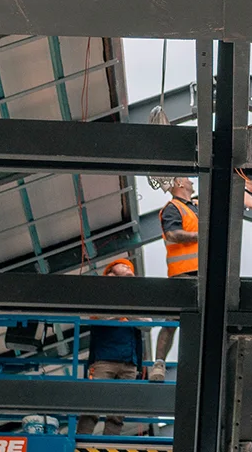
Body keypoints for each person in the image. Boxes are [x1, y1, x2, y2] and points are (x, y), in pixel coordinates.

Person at [78, 258, 145, 436]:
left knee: (119, 410)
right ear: (110, 274)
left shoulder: (135, 301)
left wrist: (123, 311)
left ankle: (110, 442)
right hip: (104, 360)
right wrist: (127, 312)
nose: (127, 266)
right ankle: (82, 439)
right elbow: (98, 316)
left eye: (129, 266)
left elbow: (147, 324)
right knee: (93, 404)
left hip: (129, 363)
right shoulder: (102, 298)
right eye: (122, 265)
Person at [148, 177, 197, 382]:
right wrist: (201, 235)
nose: (191, 181)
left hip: (203, 274)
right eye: (186, 179)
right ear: (179, 184)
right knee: (171, 321)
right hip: (184, 273)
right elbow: (173, 234)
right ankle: (159, 364)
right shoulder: (173, 208)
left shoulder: (194, 207)